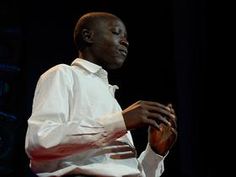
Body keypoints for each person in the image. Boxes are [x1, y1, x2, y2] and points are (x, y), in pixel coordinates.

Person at [25, 11, 177, 177]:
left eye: (126, 36)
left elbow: (125, 172)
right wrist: (120, 121)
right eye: (116, 32)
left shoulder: (108, 94)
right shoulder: (63, 74)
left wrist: (154, 154)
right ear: (88, 36)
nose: (125, 42)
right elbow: (40, 140)